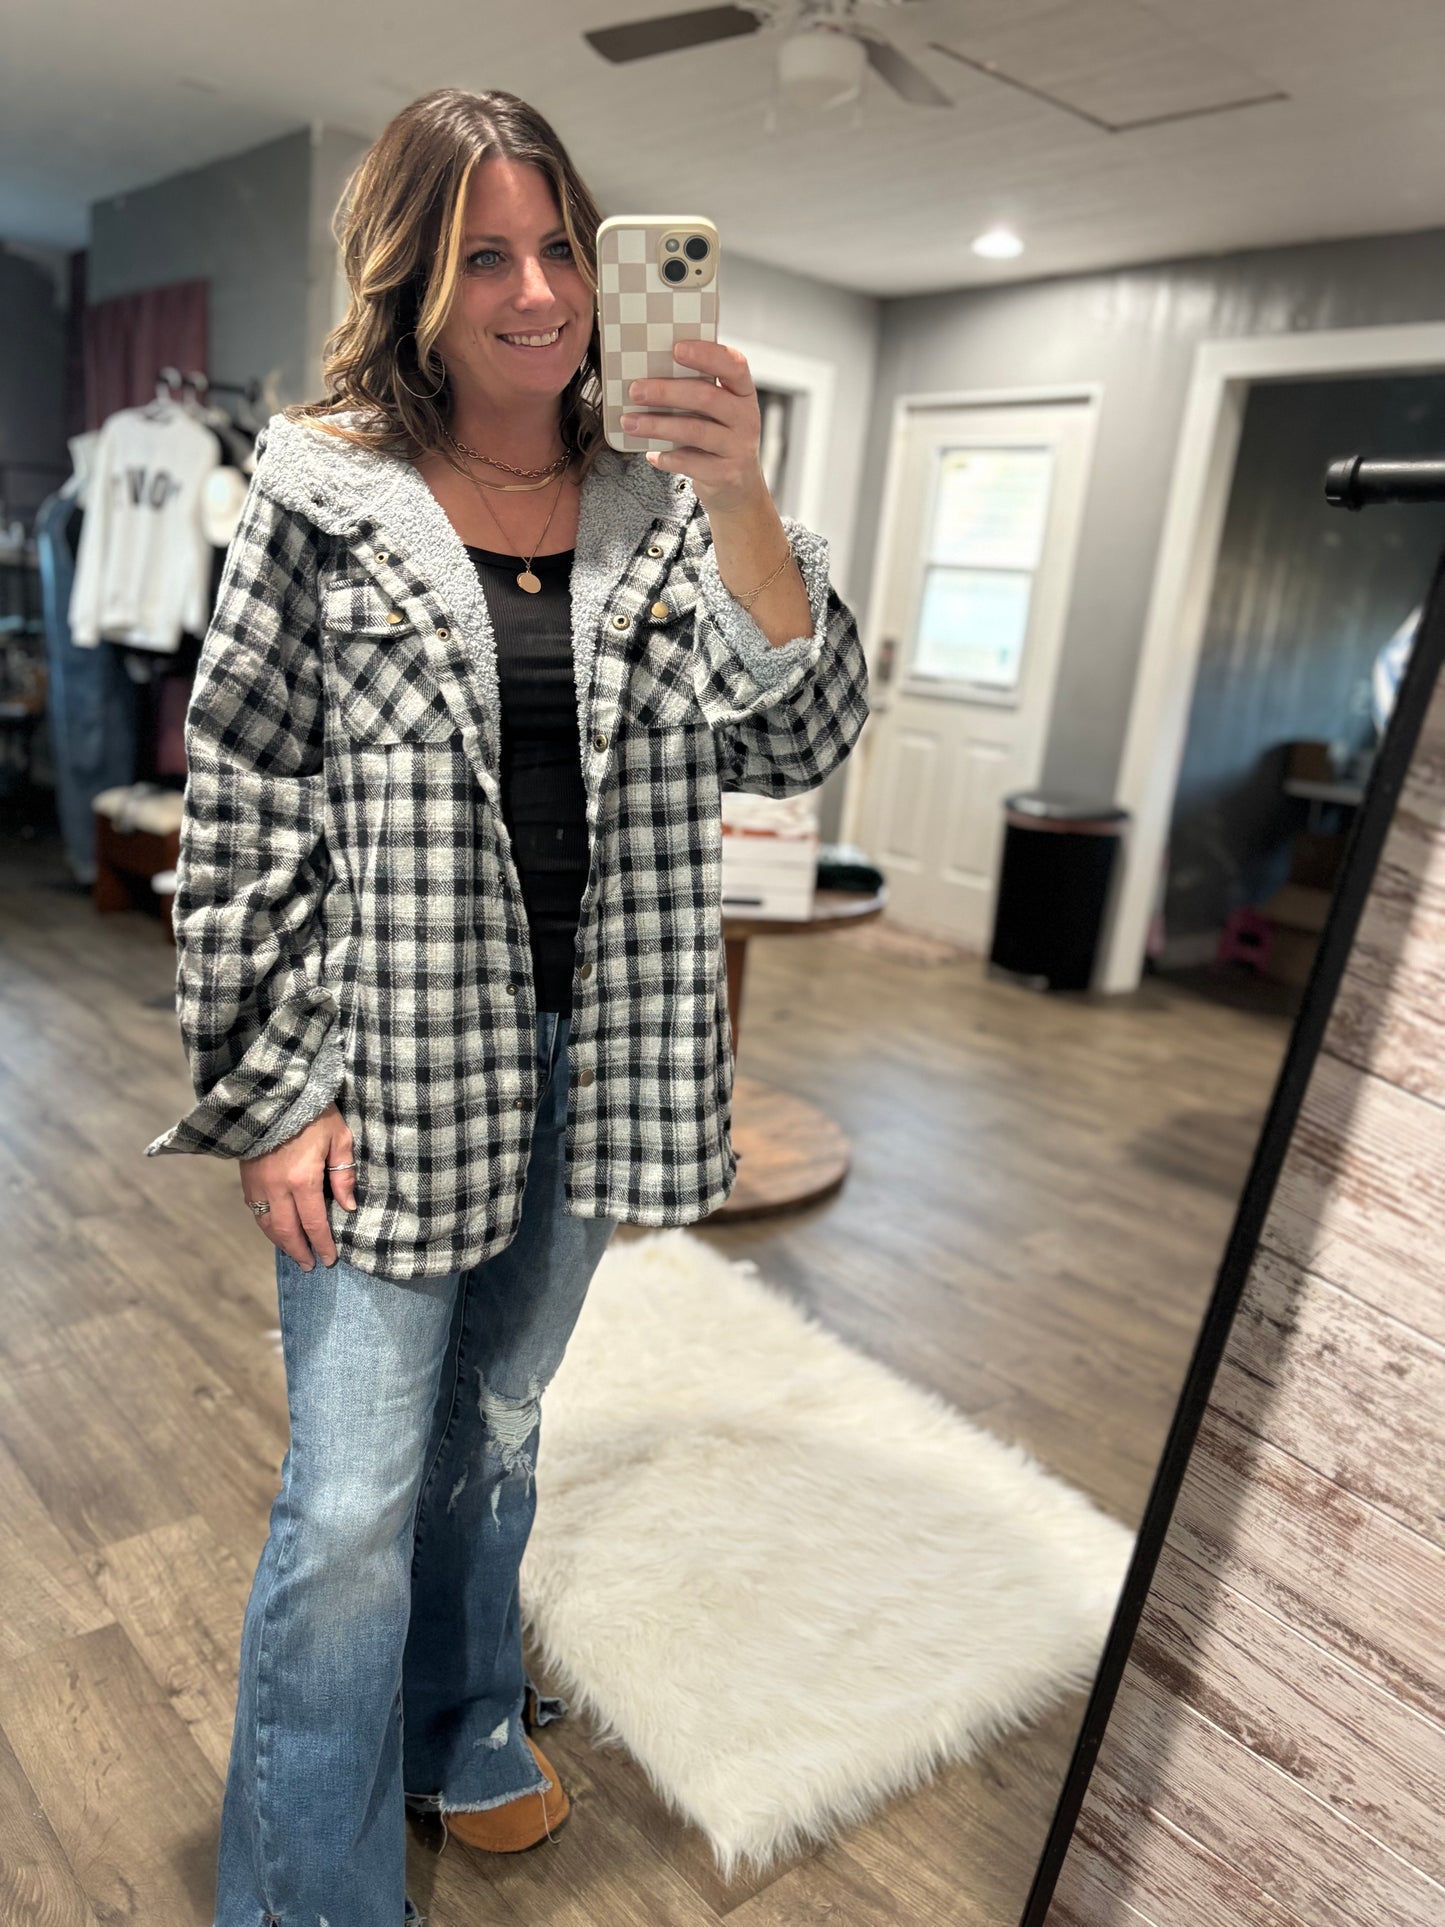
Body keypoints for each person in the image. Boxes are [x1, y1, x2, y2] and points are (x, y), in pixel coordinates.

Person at [144, 86, 869, 1927]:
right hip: (387, 1066)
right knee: (352, 1500)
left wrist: (745, 494)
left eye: (562, 246)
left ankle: (460, 1720)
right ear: (411, 277)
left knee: (501, 1431)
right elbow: (239, 801)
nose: (538, 291)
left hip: (594, 1056)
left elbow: (795, 734)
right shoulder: (321, 494)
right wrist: (275, 1087)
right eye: (486, 253)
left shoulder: (663, 501)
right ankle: (306, 1895)